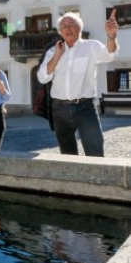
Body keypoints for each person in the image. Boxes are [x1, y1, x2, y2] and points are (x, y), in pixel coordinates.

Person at [37, 10, 119, 156]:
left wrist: (111, 36)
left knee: (95, 150)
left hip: (85, 107)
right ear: (60, 32)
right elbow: (43, 77)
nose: (67, 28)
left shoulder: (91, 46)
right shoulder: (52, 51)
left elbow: (109, 54)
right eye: (63, 26)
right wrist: (57, 55)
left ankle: (97, 178)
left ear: (79, 28)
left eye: (71, 24)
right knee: (68, 154)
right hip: (59, 109)